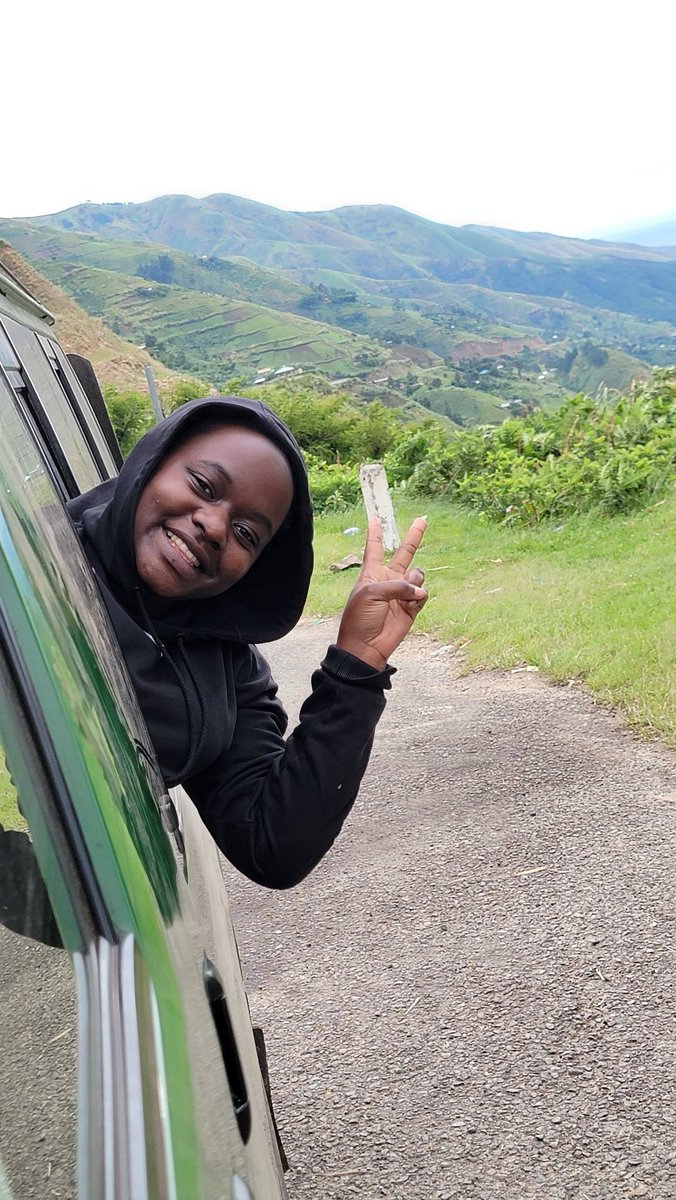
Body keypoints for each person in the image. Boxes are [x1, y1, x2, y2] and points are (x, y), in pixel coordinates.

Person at [67, 395, 427, 889]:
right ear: (148, 466)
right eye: (203, 485)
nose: (214, 526)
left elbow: (272, 842)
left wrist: (356, 668)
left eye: (246, 533)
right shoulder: (31, 572)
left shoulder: (224, 665)